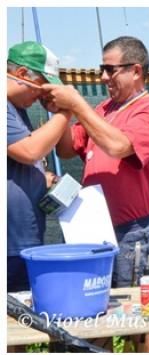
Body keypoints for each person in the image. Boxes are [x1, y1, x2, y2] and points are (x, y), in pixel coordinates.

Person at [45, 36, 149, 353]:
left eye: (110, 69)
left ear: (136, 71)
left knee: (138, 317)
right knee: (92, 312)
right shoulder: (102, 109)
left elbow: (118, 147)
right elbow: (65, 147)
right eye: (102, 69)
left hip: (135, 229)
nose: (103, 77)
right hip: (92, 230)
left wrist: (77, 105)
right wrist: (61, 113)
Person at [7, 41, 71, 293]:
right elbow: (29, 150)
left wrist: (37, 178)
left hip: (21, 238)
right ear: (22, 74)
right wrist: (65, 113)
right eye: (43, 87)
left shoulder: (16, 109)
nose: (43, 96)